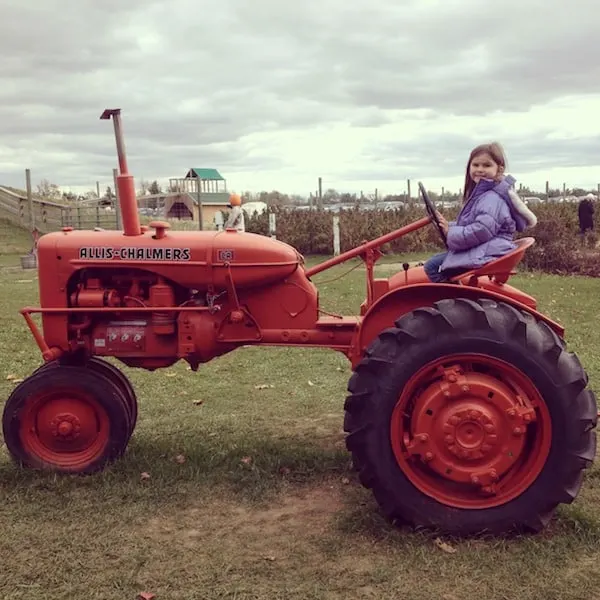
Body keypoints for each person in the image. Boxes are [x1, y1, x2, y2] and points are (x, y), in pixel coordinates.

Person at [423, 142, 538, 283]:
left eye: (486, 165)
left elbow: (481, 230)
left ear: (500, 169)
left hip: (489, 250)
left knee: (432, 266)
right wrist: (449, 226)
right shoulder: (485, 194)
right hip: (487, 247)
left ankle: (452, 300)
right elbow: (474, 224)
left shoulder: (492, 198)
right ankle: (453, 296)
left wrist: (450, 232)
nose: (480, 169)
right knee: (438, 263)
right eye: (475, 165)